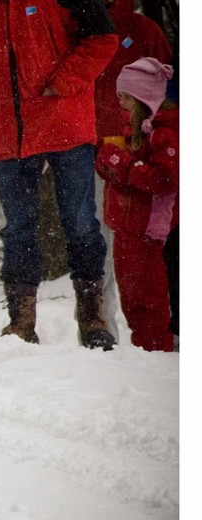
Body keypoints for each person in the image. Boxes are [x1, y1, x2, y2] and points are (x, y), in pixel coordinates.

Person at [0, 0, 119, 349]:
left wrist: (62, 84)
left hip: (65, 122)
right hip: (8, 132)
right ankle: (21, 324)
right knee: (18, 230)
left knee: (80, 223)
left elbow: (102, 38)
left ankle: (92, 319)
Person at [85, 0, 173, 341]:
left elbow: (168, 94)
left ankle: (159, 334)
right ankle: (102, 330)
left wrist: (150, 143)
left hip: (140, 152)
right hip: (90, 148)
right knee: (99, 246)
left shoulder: (145, 30)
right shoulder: (78, 27)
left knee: (149, 250)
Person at [95, 58, 177, 351]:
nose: (121, 103)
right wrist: (108, 159)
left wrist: (125, 164)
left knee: (149, 298)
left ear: (144, 98)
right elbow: (115, 172)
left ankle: (158, 349)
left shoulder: (165, 133)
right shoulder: (129, 130)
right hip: (124, 227)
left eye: (126, 97)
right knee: (131, 297)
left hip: (147, 231)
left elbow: (164, 180)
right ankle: (144, 349)